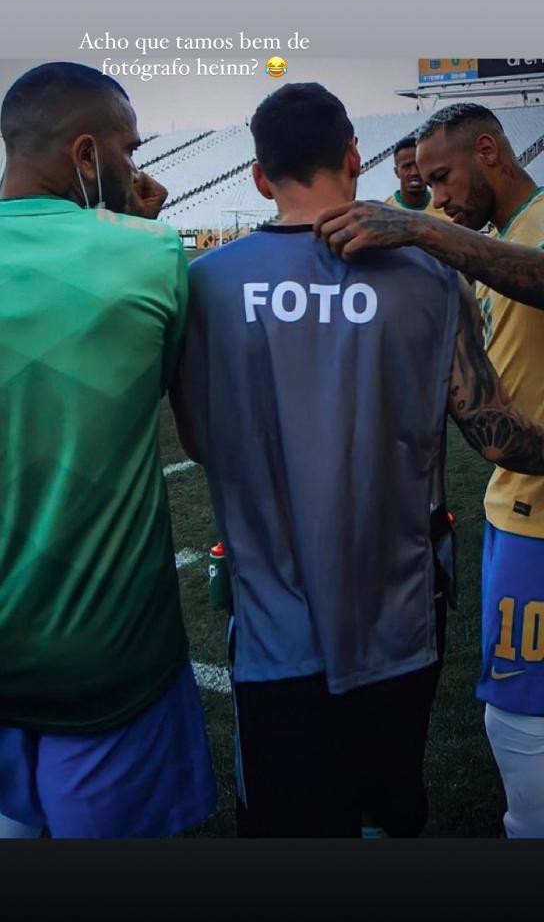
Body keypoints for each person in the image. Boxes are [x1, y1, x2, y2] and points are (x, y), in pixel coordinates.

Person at [174, 84, 544, 838]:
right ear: (355, 157)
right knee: (389, 818)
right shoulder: (430, 275)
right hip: (398, 621)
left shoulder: (205, 284)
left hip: (274, 629)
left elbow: (199, 440)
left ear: (256, 177)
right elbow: (500, 439)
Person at [314, 101, 544, 837]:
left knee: (517, 711)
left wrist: (421, 228)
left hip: (536, 513)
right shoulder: (493, 235)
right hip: (513, 500)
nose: (438, 195)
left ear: (490, 152)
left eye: (443, 178)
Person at [0, 62, 216, 838]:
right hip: (106, 649)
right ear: (87, 155)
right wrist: (142, 228)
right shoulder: (150, 253)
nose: (138, 166)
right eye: (128, 149)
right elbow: (171, 407)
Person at [385, 135, 447, 218]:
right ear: (396, 172)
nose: (414, 172)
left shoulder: (446, 209)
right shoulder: (385, 212)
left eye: (419, 165)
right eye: (407, 166)